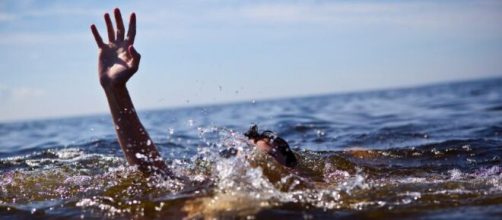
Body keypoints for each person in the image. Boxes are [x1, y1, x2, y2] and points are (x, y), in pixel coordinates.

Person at [90, 8, 297, 177]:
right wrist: (115, 90)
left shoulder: (299, 190)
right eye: (249, 150)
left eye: (270, 150)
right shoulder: (210, 185)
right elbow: (153, 173)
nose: (251, 156)